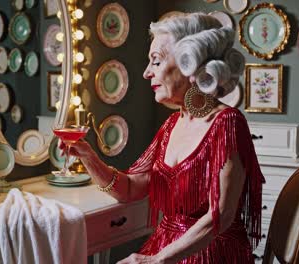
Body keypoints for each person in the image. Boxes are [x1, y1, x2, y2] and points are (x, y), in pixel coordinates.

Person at [67, 13, 264, 264]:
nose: (147, 73)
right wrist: (88, 156)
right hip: (166, 250)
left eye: (156, 61)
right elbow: (130, 189)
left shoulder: (227, 123)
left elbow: (221, 216)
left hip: (210, 253)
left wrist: (156, 261)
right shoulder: (172, 125)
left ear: (189, 62)